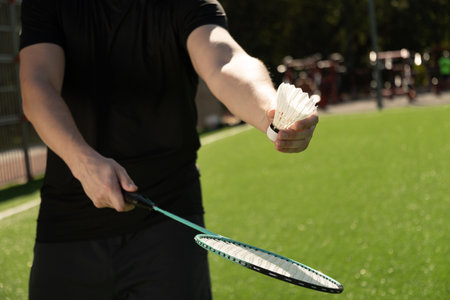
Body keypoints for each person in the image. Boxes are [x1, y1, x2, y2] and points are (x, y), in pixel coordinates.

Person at [19, 0, 319, 299]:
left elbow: (224, 61)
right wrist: (82, 161)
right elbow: (37, 84)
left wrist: (270, 109)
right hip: (67, 225)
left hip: (169, 222)